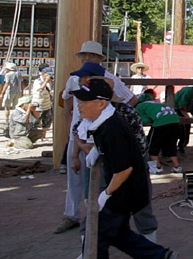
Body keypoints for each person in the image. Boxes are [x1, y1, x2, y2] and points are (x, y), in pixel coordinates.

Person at [71, 78, 178, 259]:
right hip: (125, 187)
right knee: (118, 233)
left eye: (84, 101)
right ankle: (159, 256)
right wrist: (97, 151)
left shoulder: (112, 128)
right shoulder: (101, 121)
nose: (79, 105)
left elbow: (124, 170)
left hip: (125, 189)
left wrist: (106, 194)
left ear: (101, 103)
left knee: (96, 231)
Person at [56, 40, 138, 235]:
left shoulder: (109, 79)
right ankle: (73, 215)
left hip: (99, 136)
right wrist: (71, 128)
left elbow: (131, 99)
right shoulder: (74, 79)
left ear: (96, 58)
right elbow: (67, 102)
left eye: (89, 55)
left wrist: (112, 120)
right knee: (75, 176)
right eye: (83, 55)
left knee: (102, 176)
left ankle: (101, 216)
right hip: (78, 134)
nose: (85, 58)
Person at [135, 94, 182, 174]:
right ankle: (177, 166)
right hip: (175, 121)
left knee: (152, 146)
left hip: (161, 123)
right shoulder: (157, 103)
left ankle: (157, 167)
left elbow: (143, 120)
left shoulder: (139, 106)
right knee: (171, 144)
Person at [31, 66, 54, 139]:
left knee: (46, 122)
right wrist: (46, 81)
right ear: (43, 74)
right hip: (38, 105)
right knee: (35, 122)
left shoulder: (49, 82)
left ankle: (43, 136)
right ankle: (34, 136)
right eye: (48, 75)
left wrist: (52, 83)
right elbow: (40, 90)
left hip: (47, 105)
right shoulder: (37, 81)